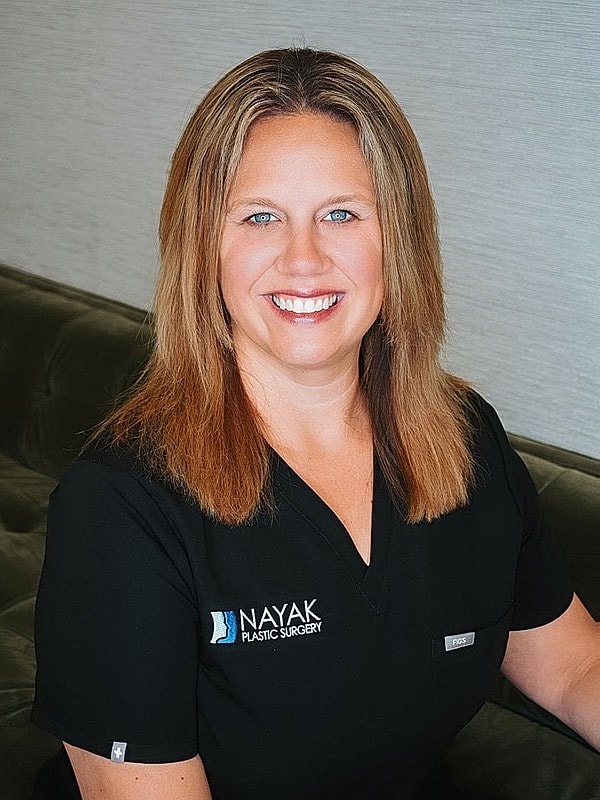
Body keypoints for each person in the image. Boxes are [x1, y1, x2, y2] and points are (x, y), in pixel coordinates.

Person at [32, 47, 600, 800]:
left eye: (340, 213)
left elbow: (572, 666)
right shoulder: (122, 507)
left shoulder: (467, 441)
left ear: (397, 240)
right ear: (204, 247)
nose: (304, 259)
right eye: (261, 216)